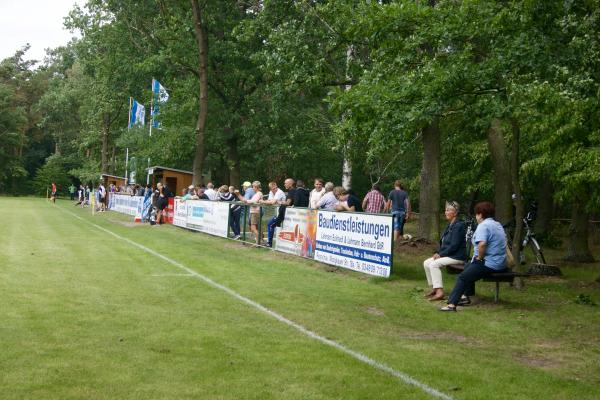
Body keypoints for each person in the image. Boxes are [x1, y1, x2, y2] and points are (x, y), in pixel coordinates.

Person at [441, 202, 509, 311]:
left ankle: (451, 305)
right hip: (501, 262)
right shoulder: (497, 224)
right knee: (469, 266)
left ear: (481, 214)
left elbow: (482, 244)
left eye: (476, 214)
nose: (476, 216)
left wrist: (479, 258)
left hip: (489, 263)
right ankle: (465, 297)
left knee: (462, 277)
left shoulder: (484, 225)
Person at [423, 201, 467, 301]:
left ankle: (440, 292)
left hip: (457, 256)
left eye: (448, 210)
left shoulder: (458, 226)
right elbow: (444, 243)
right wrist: (438, 252)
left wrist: (441, 254)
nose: (445, 212)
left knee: (434, 264)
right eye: (445, 210)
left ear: (455, 213)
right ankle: (435, 288)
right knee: (426, 263)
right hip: (449, 255)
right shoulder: (450, 225)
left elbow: (454, 245)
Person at [263, 179, 293, 247]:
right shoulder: (271, 192)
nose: (275, 189)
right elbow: (270, 200)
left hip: (282, 213)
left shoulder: (279, 192)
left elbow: (272, 202)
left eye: (276, 187)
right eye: (273, 189)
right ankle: (277, 244)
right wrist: (268, 201)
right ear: (270, 189)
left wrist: (262, 201)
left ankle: (270, 243)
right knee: (274, 226)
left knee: (270, 224)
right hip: (278, 212)